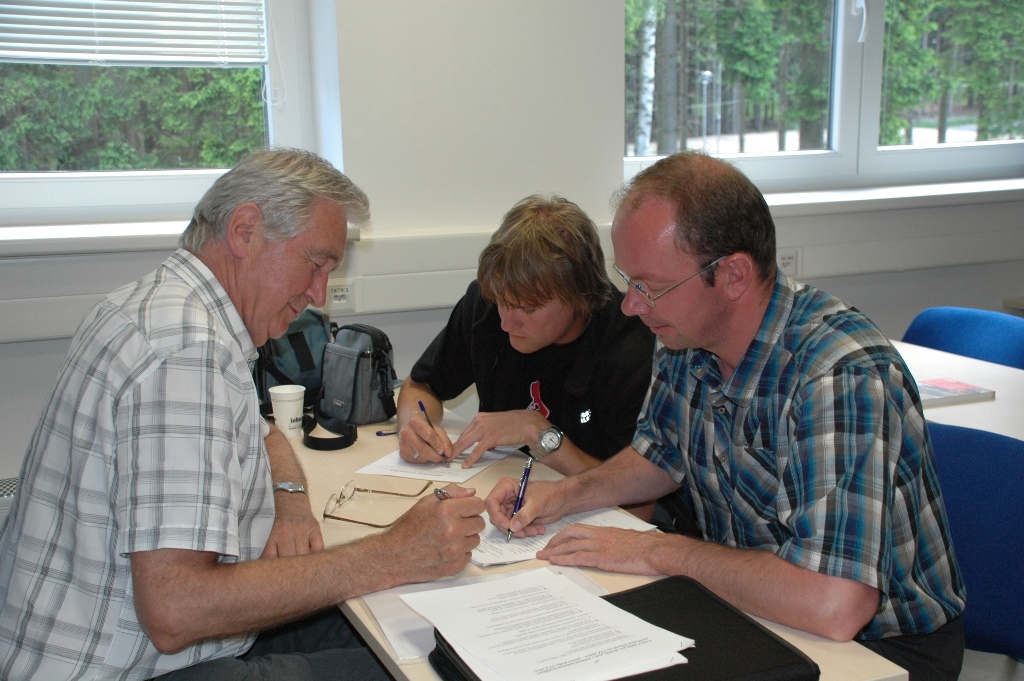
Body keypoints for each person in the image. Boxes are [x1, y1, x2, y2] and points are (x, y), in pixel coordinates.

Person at [0, 148, 485, 681]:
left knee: (404, 627)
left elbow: (263, 432)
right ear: (245, 230)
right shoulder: (188, 350)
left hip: (119, 643)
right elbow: (175, 609)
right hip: (130, 664)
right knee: (425, 668)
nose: (318, 294)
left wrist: (291, 501)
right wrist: (392, 553)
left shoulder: (162, 306)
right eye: (315, 264)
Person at [486, 152, 966, 680]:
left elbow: (834, 604)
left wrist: (658, 552)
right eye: (629, 280)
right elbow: (658, 457)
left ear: (733, 275)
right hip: (755, 611)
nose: (630, 306)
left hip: (879, 650)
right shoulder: (687, 336)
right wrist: (562, 497)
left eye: (650, 286)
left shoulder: (838, 375)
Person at [396, 195, 656, 484]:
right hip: (496, 488)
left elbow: (637, 495)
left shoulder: (633, 349)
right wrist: (414, 424)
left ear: (580, 297)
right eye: (501, 302)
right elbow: (421, 385)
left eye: (528, 309)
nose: (506, 323)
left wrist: (537, 433)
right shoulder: (486, 304)